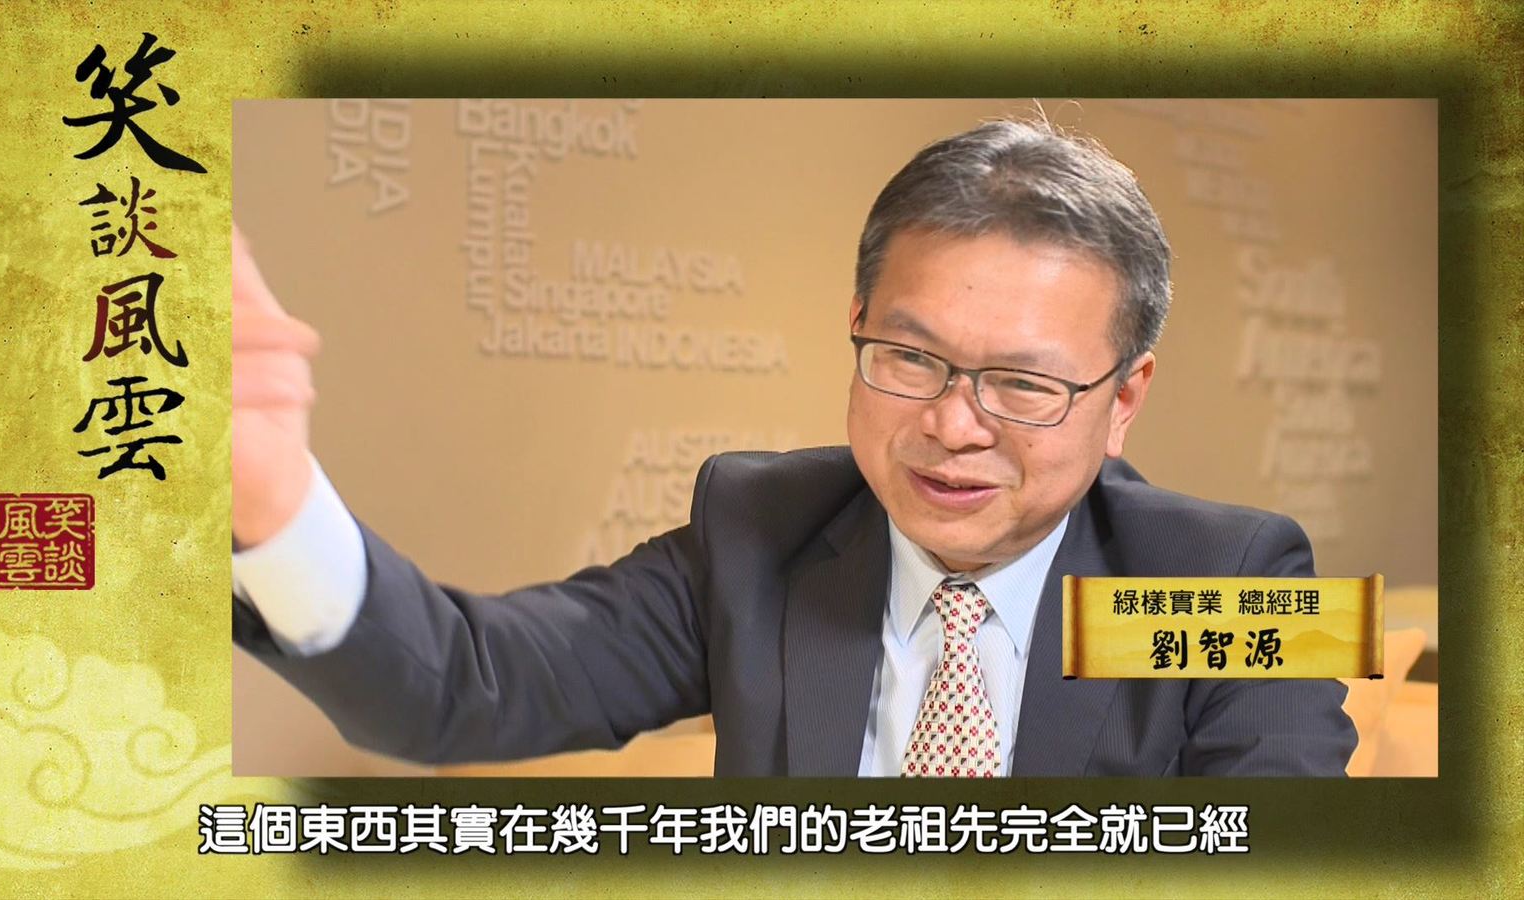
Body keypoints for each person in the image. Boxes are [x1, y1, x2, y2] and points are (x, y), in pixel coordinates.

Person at [232, 118, 1357, 776]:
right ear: (856, 324)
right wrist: (275, 497)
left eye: (1022, 384)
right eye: (910, 356)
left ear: (1123, 401)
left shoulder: (1235, 583)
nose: (953, 425)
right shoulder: (760, 533)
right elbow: (465, 686)